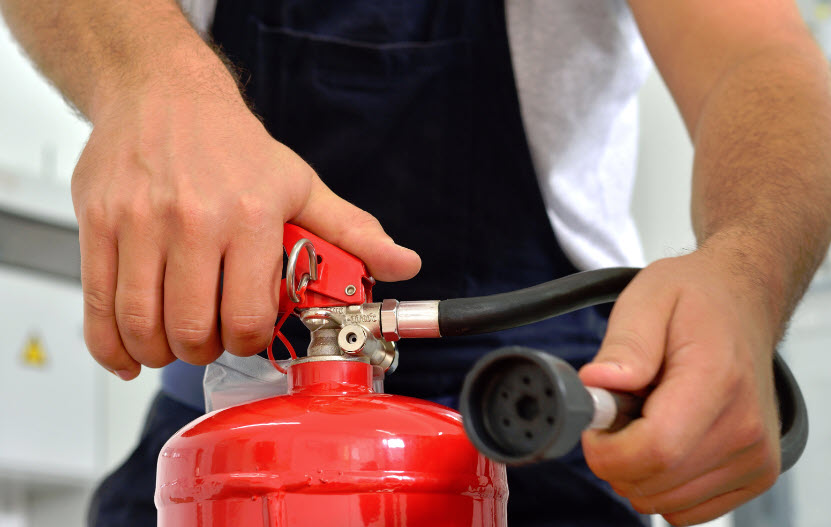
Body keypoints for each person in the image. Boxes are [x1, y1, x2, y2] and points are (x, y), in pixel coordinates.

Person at [2, 0, 830, 525]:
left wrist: (744, 270)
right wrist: (151, 81)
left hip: (532, 398)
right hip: (236, 381)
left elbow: (753, 51)